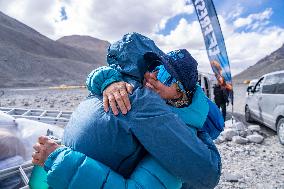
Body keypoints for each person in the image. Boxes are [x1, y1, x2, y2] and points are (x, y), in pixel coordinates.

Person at [32, 33, 221, 189]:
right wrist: (107, 80)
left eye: (165, 76)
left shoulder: (181, 137)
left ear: (180, 93)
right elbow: (101, 74)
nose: (152, 76)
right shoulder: (137, 94)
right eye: (156, 67)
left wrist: (58, 159)